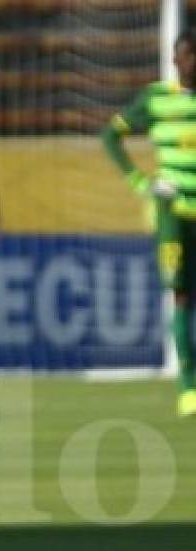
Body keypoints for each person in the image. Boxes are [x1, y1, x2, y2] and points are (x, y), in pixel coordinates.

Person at [103, 28, 196, 417]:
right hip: (174, 214)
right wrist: (140, 182)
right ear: (175, 60)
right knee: (181, 295)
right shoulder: (156, 99)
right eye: (186, 55)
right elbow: (111, 135)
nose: (190, 63)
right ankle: (188, 386)